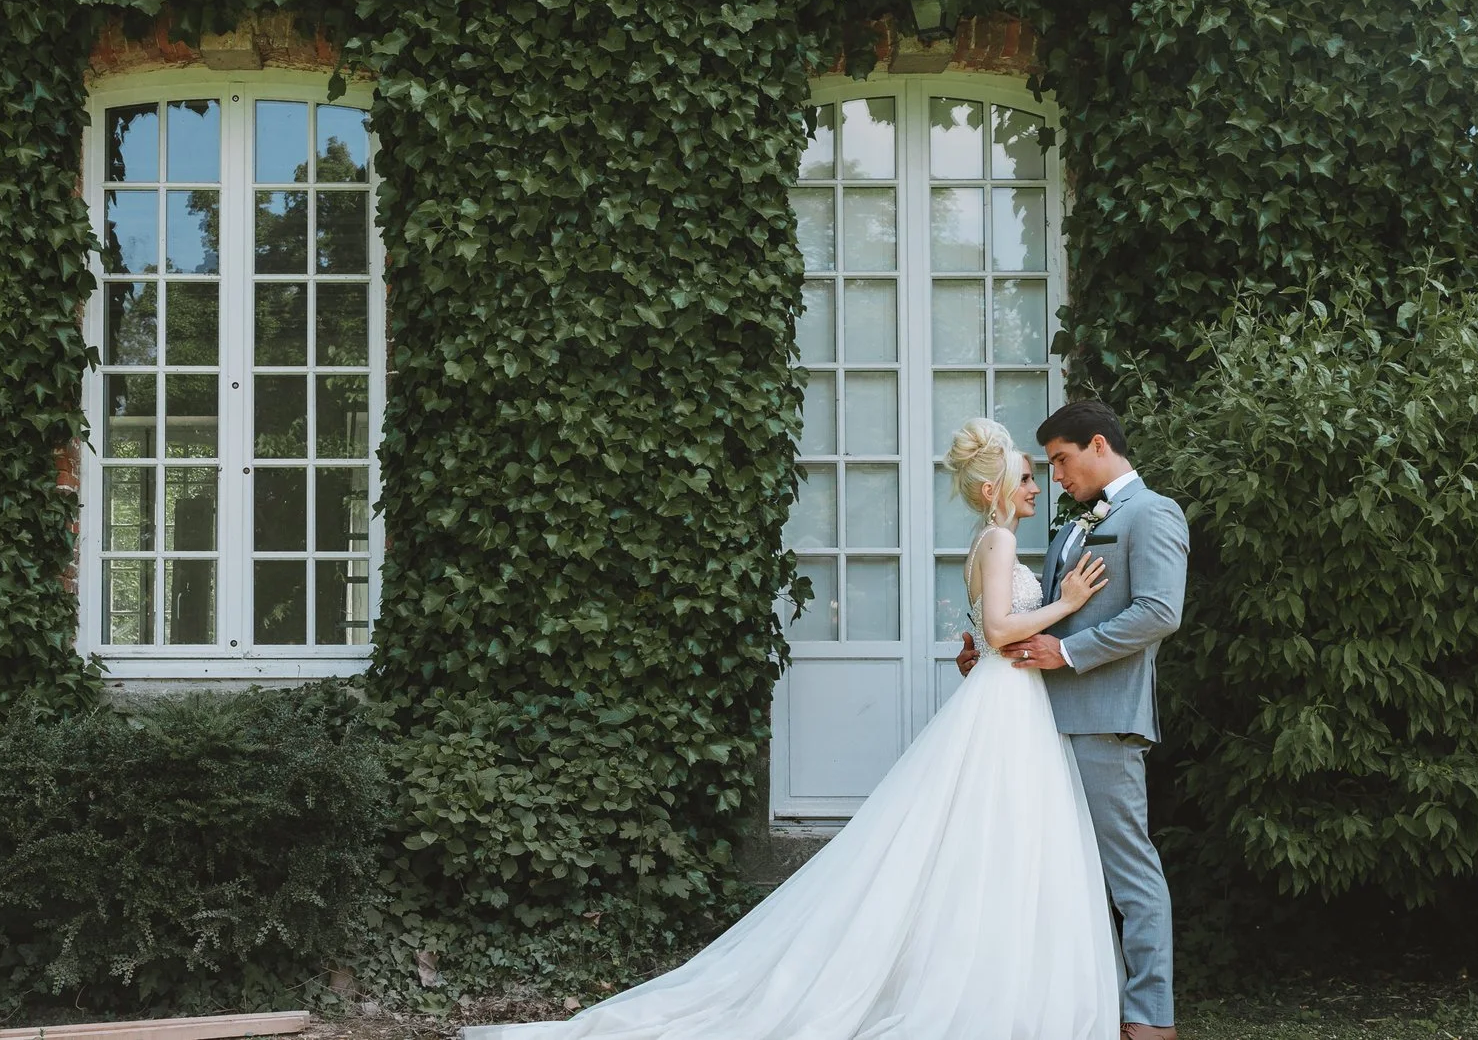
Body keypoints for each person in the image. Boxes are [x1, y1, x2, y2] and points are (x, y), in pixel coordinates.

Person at [466, 418, 1117, 1040]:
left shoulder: (985, 543)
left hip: (1009, 697)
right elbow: (1002, 629)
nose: (1037, 487)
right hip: (1005, 701)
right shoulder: (998, 540)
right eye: (1027, 476)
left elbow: (984, 630)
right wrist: (1070, 603)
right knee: (998, 839)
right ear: (991, 487)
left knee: (990, 841)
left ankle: (993, 980)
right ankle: (993, 987)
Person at [960, 398, 1189, 1040]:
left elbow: (1158, 612)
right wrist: (989, 644)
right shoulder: (1070, 527)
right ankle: (1083, 1002)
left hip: (1104, 718)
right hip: (1038, 724)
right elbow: (1042, 611)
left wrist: (1065, 651)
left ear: (1096, 445)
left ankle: (1150, 1017)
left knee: (1128, 870)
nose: (1055, 476)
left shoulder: (1154, 513)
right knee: (1059, 872)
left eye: (1060, 461)